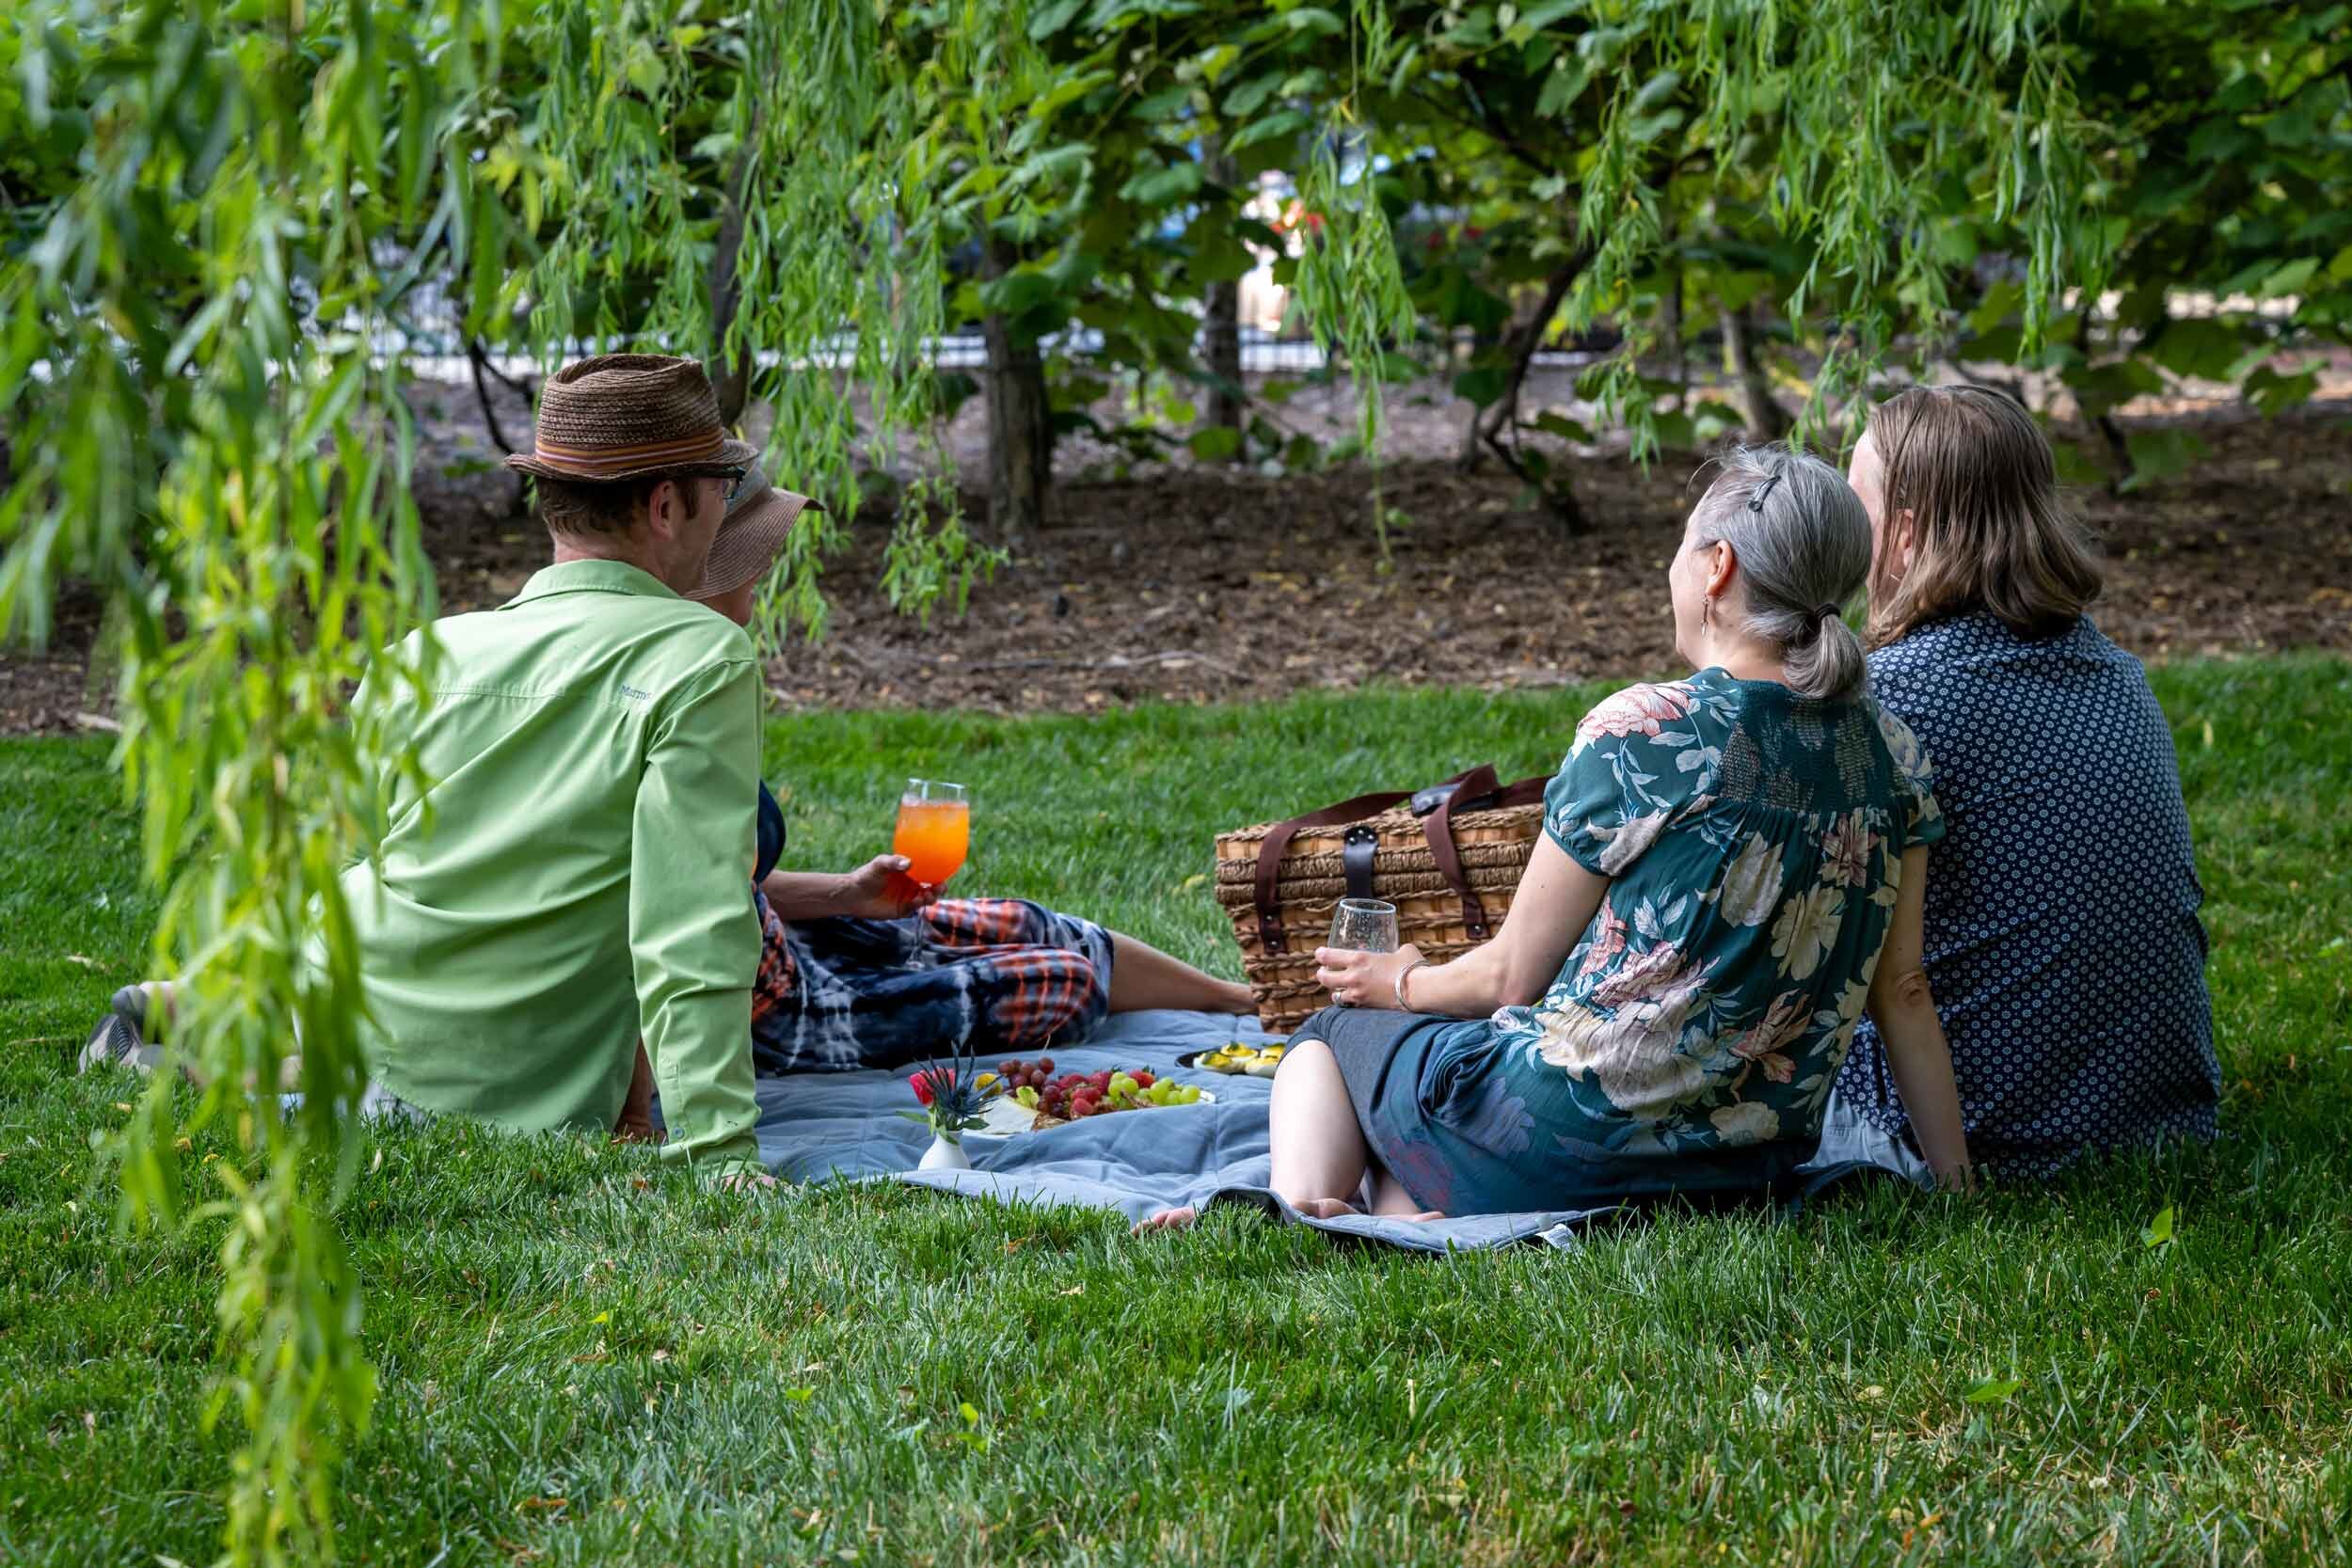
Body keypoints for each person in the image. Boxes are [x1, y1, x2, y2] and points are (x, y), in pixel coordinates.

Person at [1147, 447, 1973, 1228]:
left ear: (1717, 566)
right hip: (1744, 1169)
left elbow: (1508, 977)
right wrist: (1955, 1185)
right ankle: (1407, 1212)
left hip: (1564, 1140)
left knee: (1333, 1039)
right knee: (1429, 1080)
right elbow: (1901, 991)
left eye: (1683, 550)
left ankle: (1304, 1208)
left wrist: (1401, 982)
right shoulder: (1892, 752)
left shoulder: (1647, 729)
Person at [87, 355, 774, 1186]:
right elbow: (688, 922)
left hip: (357, 1009)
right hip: (495, 1093)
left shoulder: (423, 654)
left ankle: (214, 1020)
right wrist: (717, 1153)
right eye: (723, 493)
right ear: (668, 504)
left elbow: (355, 862)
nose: (726, 516)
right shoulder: (699, 658)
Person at [680, 469, 1255, 1077]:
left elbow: (723, 883)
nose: (769, 561)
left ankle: (1240, 1000)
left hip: (789, 941)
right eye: (754, 545)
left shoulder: (711, 658)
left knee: (1025, 922)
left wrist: (845, 893)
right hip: (769, 1010)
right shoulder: (685, 686)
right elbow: (669, 908)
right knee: (1066, 983)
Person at [1832, 385, 2219, 1177]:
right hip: (2159, 1120)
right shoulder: (2116, 670)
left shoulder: (1891, 696)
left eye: (1854, 504)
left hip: (1979, 1131)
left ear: (1903, 533)